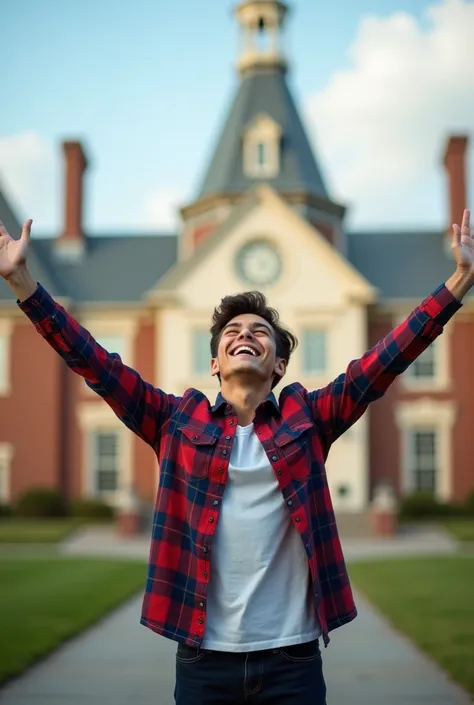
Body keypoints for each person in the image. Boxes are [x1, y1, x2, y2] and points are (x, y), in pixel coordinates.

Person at [0, 209, 473, 705]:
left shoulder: (308, 419)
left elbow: (384, 361)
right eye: (232, 331)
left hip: (293, 658)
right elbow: (93, 361)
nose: (245, 334)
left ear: (280, 364)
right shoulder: (176, 423)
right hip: (204, 660)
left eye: (260, 331)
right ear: (215, 363)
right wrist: (23, 282)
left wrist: (459, 281)